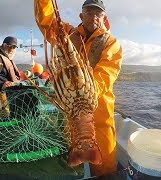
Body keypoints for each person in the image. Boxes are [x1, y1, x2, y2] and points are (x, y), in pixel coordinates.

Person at [34, 0, 123, 176]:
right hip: (71, 112)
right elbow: (48, 24)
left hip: (99, 111)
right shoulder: (67, 33)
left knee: (105, 162)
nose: (94, 17)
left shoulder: (111, 43)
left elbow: (106, 73)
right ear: (81, 16)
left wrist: (87, 93)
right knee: (71, 155)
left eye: (98, 13)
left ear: (104, 18)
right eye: (89, 12)